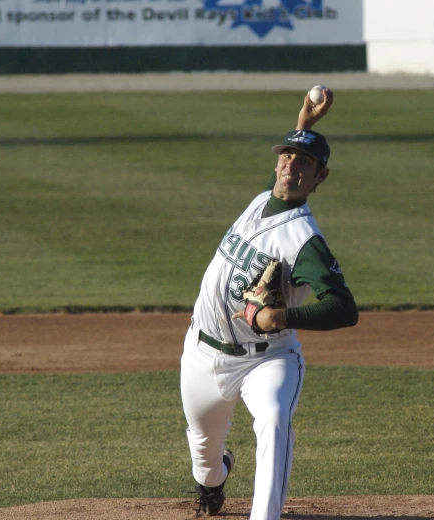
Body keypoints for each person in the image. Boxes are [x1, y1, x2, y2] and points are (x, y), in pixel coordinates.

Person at [180, 87, 358, 519]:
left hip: (267, 360)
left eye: (305, 162)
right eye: (287, 157)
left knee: (275, 420)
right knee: (204, 460)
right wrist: (304, 127)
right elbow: (282, 183)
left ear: (321, 177)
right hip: (202, 355)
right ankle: (214, 482)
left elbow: (344, 308)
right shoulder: (264, 198)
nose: (291, 165)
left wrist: (280, 315)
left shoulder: (306, 241)